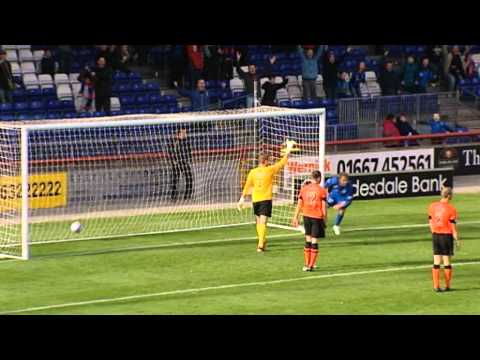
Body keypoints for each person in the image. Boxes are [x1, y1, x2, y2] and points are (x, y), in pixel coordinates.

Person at [237, 140, 297, 252]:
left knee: (259, 221)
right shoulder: (270, 170)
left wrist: (242, 198)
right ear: (265, 161)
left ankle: (262, 241)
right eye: (268, 160)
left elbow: (247, 185)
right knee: (263, 222)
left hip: (255, 200)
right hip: (265, 199)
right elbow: (283, 162)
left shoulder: (252, 172)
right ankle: (260, 244)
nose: (269, 162)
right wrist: (288, 148)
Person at [291, 170, 327, 272]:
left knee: (308, 239)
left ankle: (307, 264)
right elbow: (324, 207)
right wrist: (325, 219)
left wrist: (295, 217)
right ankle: (311, 265)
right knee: (314, 240)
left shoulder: (304, 189)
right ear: (319, 178)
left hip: (306, 216)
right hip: (317, 217)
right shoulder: (322, 190)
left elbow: (299, 204)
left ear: (311, 178)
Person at [428, 187, 460, 292]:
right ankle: (447, 286)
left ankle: (436, 286)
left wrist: (433, 231)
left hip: (436, 235)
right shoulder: (451, 209)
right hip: (446, 236)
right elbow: (453, 227)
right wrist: (457, 239)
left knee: (436, 261)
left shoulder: (432, 206)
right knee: (446, 261)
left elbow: (430, 221)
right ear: (449, 196)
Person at [169, 128, 194, 202]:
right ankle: (173, 197)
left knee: (189, 178)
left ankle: (187, 197)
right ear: (179, 133)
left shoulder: (186, 141)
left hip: (184, 163)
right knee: (176, 180)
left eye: (185, 133)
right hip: (177, 163)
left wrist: (189, 159)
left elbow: (189, 151)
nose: (185, 135)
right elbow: (171, 152)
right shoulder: (174, 142)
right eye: (183, 133)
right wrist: (174, 161)